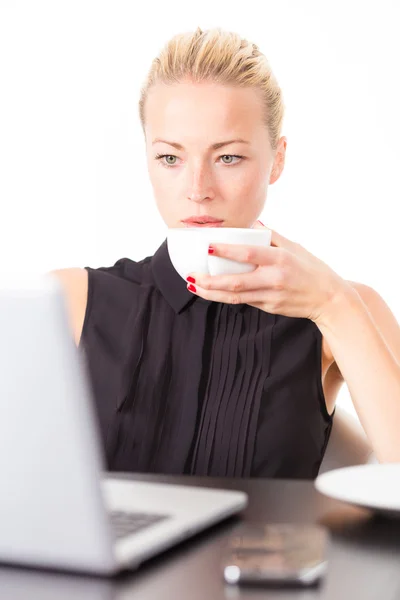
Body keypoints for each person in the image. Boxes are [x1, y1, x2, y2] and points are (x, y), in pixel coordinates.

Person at [51, 27, 400, 478]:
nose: (198, 191)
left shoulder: (345, 310)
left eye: (228, 157)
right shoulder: (70, 300)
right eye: (171, 158)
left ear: (277, 160)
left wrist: (333, 305)